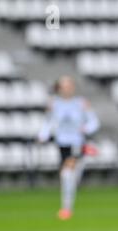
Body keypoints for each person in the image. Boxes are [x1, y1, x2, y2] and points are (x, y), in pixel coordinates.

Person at [38, 76, 100, 220]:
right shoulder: (54, 104)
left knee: (67, 174)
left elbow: (94, 122)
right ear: (59, 88)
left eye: (69, 85)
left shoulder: (81, 103)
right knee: (70, 178)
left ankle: (66, 210)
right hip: (62, 143)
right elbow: (48, 122)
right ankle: (67, 207)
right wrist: (43, 135)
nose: (67, 89)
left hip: (76, 142)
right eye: (64, 86)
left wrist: (86, 129)